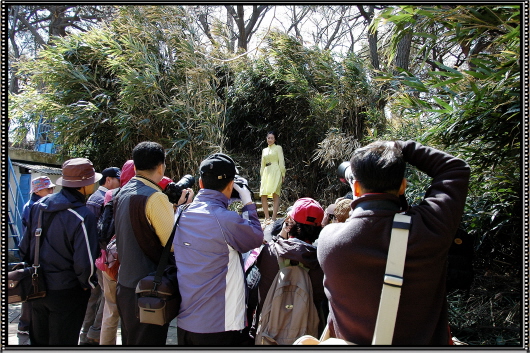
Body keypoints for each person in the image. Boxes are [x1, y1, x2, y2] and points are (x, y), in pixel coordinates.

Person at [317, 140, 470, 345]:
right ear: (402, 186)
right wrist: (398, 145)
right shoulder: (429, 229)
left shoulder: (329, 241)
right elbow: (455, 168)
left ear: (355, 186)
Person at [174, 153, 264, 346]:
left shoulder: (181, 214)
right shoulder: (226, 220)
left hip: (185, 323)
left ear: (200, 182)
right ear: (231, 184)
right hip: (220, 326)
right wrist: (248, 201)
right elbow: (256, 236)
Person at [114, 141, 192, 345]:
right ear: (161, 166)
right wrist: (183, 210)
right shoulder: (155, 197)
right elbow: (173, 244)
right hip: (148, 291)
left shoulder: (123, 192)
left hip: (125, 285)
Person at [19, 158, 102, 346]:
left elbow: (24, 248)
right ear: (84, 184)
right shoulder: (82, 215)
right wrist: (87, 284)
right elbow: (86, 261)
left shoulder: (39, 206)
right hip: (67, 291)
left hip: (36, 286)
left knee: (39, 341)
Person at [255, 198, 327, 338]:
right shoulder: (321, 261)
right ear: (319, 228)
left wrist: (280, 236)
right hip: (305, 337)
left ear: (289, 223)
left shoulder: (270, 252)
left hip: (268, 334)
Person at [80, 167, 121, 345]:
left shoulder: (97, 198)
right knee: (103, 298)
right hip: (101, 258)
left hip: (99, 257)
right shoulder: (98, 200)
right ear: (109, 180)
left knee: (97, 297)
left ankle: (88, 335)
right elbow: (95, 233)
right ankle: (93, 334)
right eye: (118, 179)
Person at [99, 160, 134, 345]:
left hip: (109, 259)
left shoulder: (111, 194)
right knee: (132, 312)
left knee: (110, 310)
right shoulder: (139, 195)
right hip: (128, 262)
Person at [18, 176, 56, 336]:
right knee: (31, 291)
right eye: (48, 189)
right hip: (34, 255)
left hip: (35, 253)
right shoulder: (34, 206)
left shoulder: (34, 204)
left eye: (52, 188)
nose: (51, 191)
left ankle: (27, 324)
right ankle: (25, 324)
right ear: (38, 190)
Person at [259, 131, 286, 222]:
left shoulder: (278, 148)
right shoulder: (264, 150)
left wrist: (283, 174)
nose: (270, 140)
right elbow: (262, 164)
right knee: (263, 194)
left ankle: (274, 217)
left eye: (272, 138)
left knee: (275, 194)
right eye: (268, 138)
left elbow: (281, 161)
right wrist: (262, 175)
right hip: (266, 172)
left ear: (275, 139)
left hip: (276, 170)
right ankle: (267, 217)